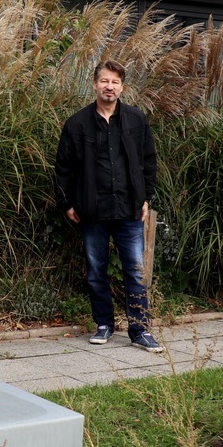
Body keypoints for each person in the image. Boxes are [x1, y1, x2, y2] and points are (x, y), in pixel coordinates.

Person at [55, 60, 161, 352]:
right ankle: (104, 324)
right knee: (96, 270)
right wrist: (66, 204)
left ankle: (140, 329)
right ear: (94, 84)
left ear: (122, 87)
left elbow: (149, 163)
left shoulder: (137, 120)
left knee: (135, 272)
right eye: (104, 81)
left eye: (115, 82)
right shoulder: (77, 124)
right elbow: (63, 168)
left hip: (128, 210)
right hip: (93, 211)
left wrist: (145, 197)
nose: (109, 87)